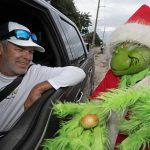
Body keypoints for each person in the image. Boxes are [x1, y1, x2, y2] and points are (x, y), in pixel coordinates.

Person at [0, 21, 86, 133]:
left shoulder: (34, 72)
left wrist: (39, 87)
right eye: (20, 49)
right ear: (1, 48)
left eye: (31, 52)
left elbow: (78, 72)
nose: (28, 57)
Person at [90, 4, 150, 149]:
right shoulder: (112, 75)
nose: (119, 59)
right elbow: (96, 100)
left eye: (131, 50)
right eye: (117, 51)